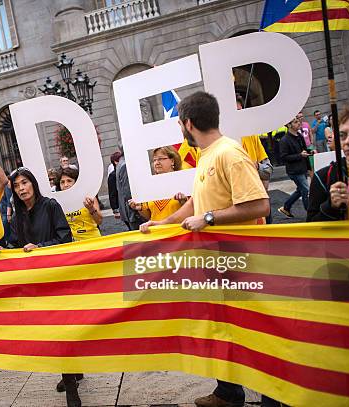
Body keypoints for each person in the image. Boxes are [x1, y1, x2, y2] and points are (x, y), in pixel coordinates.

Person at [139, 91, 271, 407]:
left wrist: (208, 219)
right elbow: (198, 201)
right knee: (224, 326)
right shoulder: (207, 154)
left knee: (254, 332)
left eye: (180, 126)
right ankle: (228, 392)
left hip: (240, 262)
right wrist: (165, 223)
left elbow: (259, 204)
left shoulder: (229, 153)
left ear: (187, 123)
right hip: (218, 262)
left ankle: (273, 396)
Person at [0, 168, 76, 406]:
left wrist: (40, 247)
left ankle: (71, 384)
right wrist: (4, 252)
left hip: (57, 277)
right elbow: (19, 247)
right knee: (53, 332)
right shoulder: (18, 216)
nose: (21, 189)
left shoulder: (50, 206)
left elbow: (65, 239)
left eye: (25, 183)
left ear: (33, 184)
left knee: (62, 331)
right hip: (36, 283)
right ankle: (71, 371)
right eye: (16, 186)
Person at [307, 99, 349, 222]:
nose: (348, 141)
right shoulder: (324, 177)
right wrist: (330, 207)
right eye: (342, 135)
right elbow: (312, 229)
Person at [128, 146, 187, 221]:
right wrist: (140, 208)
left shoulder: (184, 181)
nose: (157, 162)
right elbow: (149, 216)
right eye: (154, 160)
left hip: (179, 230)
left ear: (172, 161)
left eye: (161, 159)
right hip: (157, 230)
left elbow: (194, 211)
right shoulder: (150, 184)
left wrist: (183, 203)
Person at [278, 117, 311, 219]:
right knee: (306, 190)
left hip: (303, 168)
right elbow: (284, 157)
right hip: (294, 171)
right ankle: (311, 214)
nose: (298, 123)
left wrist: (309, 166)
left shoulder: (300, 136)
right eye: (295, 122)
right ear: (289, 125)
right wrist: (300, 155)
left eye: (298, 121)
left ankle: (286, 207)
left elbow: (305, 151)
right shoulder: (284, 140)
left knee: (300, 190)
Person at [57, 167, 102, 241]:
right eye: (62, 182)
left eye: (69, 181)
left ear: (76, 182)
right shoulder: (58, 202)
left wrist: (91, 208)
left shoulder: (88, 196)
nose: (65, 185)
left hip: (92, 240)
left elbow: (99, 221)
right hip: (73, 245)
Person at [116, 146, 143, 230]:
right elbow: (128, 192)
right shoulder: (126, 165)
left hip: (130, 212)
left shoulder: (122, 162)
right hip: (133, 213)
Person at [107, 152, 122, 219]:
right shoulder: (112, 176)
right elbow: (112, 193)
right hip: (121, 206)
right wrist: (115, 210)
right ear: (115, 162)